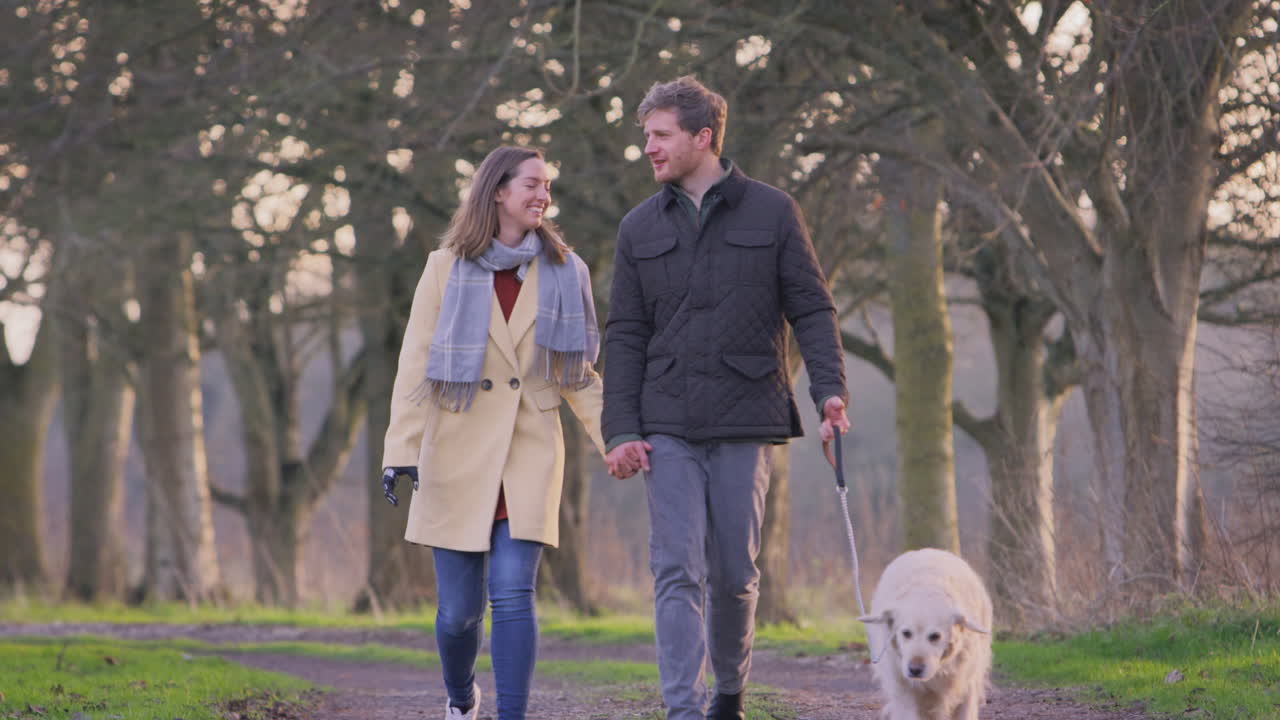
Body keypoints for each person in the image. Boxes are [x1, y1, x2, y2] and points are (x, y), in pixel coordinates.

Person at [602, 76, 850, 720]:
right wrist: (620, 429)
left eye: (661, 135)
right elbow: (624, 333)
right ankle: (683, 710)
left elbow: (813, 309)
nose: (649, 148)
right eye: (647, 136)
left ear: (703, 137)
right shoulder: (637, 227)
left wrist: (829, 393)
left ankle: (729, 696)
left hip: (747, 416)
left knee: (735, 574)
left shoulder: (774, 211)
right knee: (675, 568)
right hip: (666, 421)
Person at [381, 145, 606, 720]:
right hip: (456, 454)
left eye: (547, 185)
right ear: (498, 191)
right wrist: (400, 450)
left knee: (512, 595)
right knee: (459, 614)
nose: (543, 195)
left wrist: (618, 439)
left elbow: (577, 374)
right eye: (532, 183)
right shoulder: (444, 267)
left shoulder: (566, 270)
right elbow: (415, 365)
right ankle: (461, 698)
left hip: (530, 450)